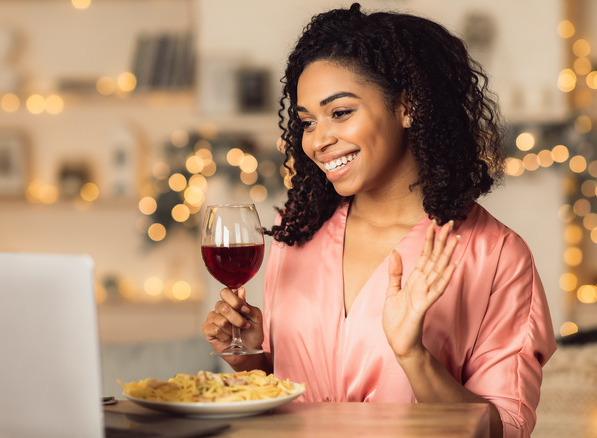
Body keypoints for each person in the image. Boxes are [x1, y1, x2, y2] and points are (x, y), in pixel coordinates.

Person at [202, 4, 556, 437]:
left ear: (408, 106)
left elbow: (507, 428)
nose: (319, 140)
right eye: (307, 121)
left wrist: (413, 355)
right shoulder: (297, 235)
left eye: (341, 112)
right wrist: (250, 360)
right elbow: (285, 401)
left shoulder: (495, 255)